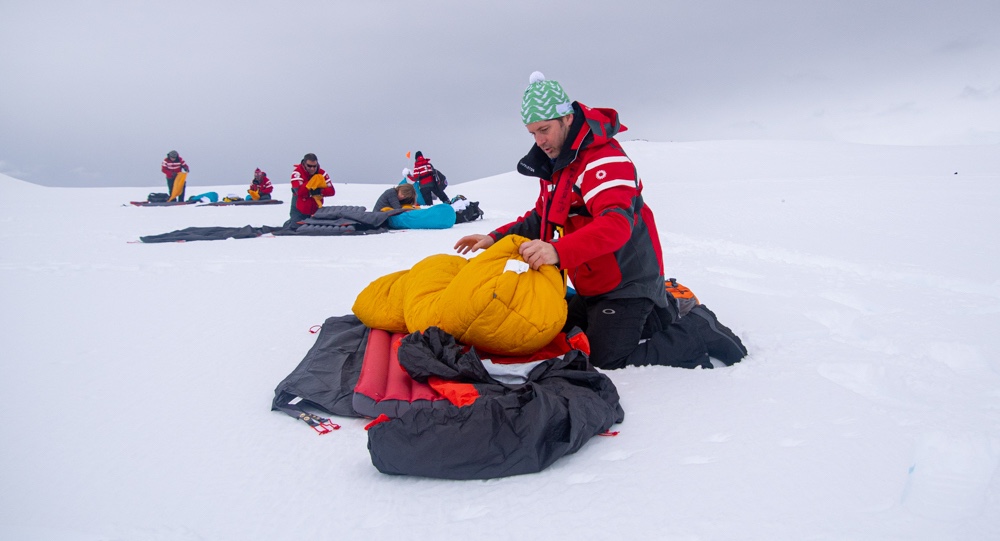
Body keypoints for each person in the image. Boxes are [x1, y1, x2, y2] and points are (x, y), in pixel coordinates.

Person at [454, 72, 747, 370]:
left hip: (628, 282)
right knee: (554, 327)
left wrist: (557, 251)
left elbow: (615, 224)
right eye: (532, 134)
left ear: (567, 118)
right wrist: (493, 237)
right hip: (594, 283)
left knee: (607, 358)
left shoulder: (602, 159)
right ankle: (660, 313)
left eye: (544, 129)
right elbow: (540, 216)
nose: (539, 141)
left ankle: (699, 328)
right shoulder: (560, 164)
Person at [288, 153, 334, 224]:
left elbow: (331, 191)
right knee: (295, 227)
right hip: (299, 208)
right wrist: (312, 184)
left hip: (316, 208)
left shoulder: (322, 173)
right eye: (309, 166)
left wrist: (319, 191)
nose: (312, 169)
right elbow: (299, 192)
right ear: (304, 164)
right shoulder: (297, 173)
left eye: (314, 166)